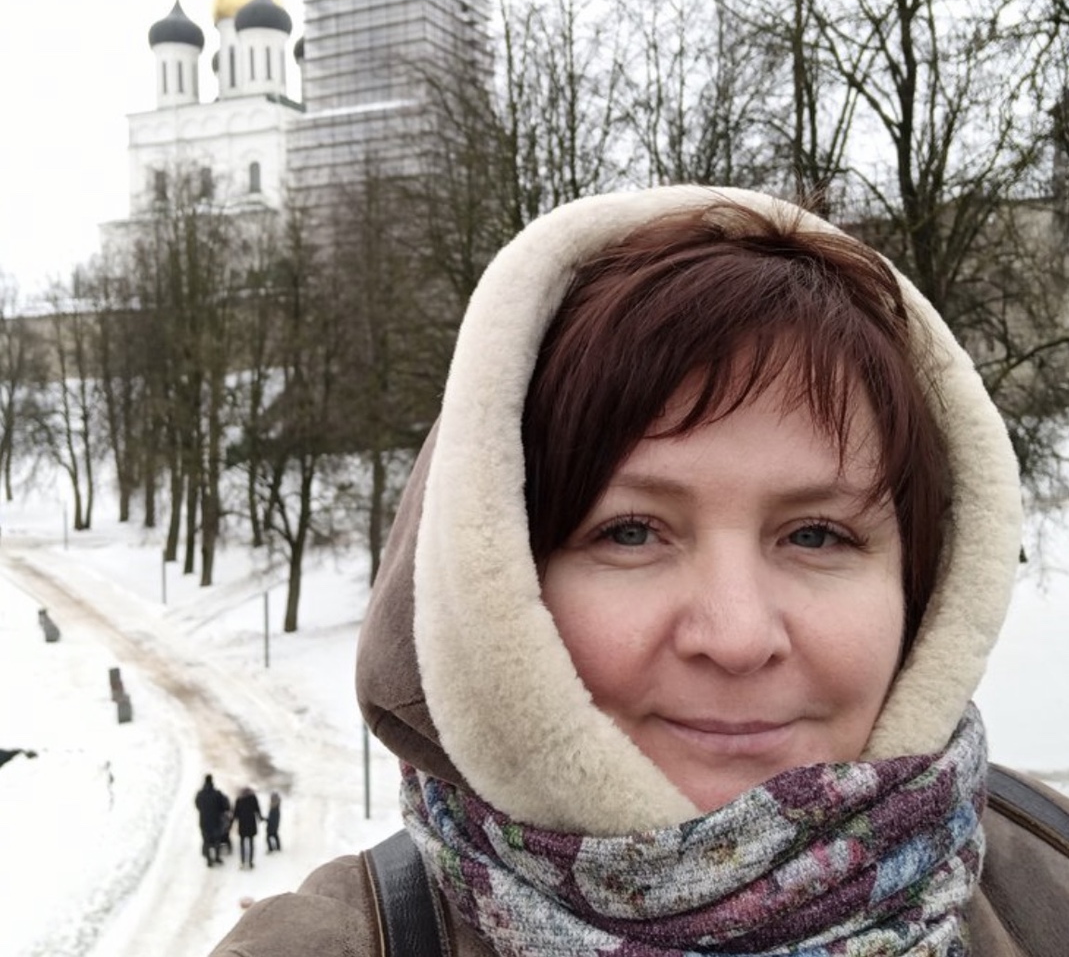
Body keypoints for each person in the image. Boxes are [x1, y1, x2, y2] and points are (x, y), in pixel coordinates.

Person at [209, 187, 1068, 955]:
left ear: (922, 588)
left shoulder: (1049, 880)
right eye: (629, 532)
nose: (736, 637)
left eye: (815, 535)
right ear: (497, 578)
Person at [194, 774, 227, 868]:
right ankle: (216, 857)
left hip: (204, 822)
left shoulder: (200, 794)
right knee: (217, 840)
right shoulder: (217, 794)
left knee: (206, 841)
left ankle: (209, 860)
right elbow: (224, 806)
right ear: (212, 781)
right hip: (216, 821)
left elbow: (197, 805)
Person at [233, 785, 264, 869]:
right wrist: (260, 818)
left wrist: (231, 822)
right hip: (251, 824)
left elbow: (235, 813)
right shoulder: (253, 798)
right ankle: (250, 862)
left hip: (242, 824)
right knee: (251, 843)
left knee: (242, 844)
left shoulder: (239, 799)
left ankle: (243, 862)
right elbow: (257, 809)